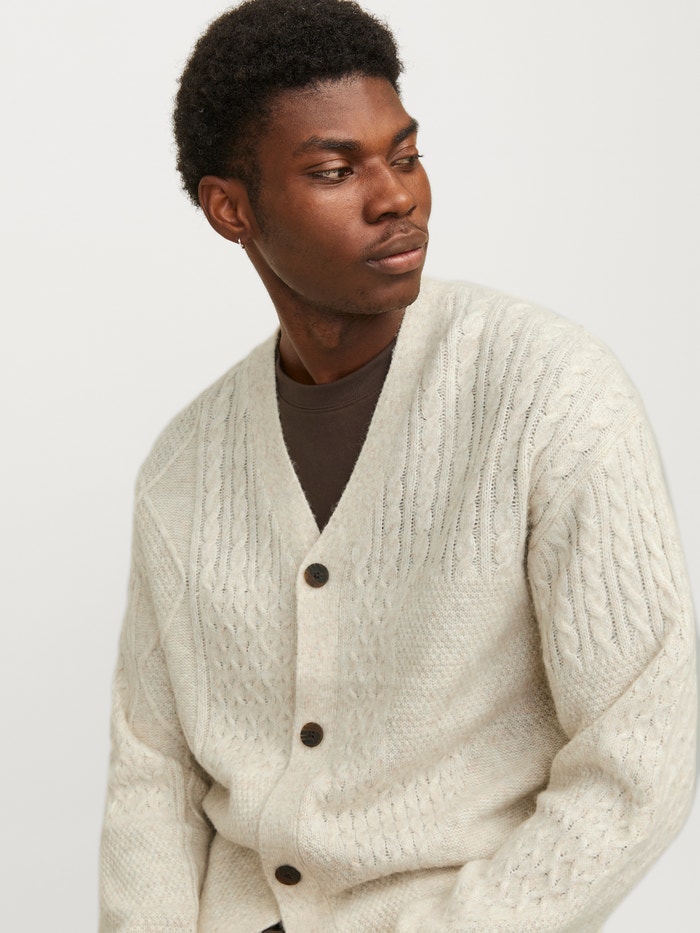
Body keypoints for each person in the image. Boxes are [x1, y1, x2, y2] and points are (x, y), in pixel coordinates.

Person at [99, 1, 697, 930]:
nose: (396, 198)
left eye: (405, 155)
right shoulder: (184, 469)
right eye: (336, 171)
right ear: (231, 208)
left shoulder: (548, 394)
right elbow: (153, 779)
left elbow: (645, 741)